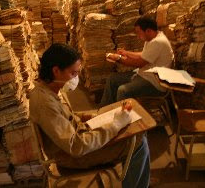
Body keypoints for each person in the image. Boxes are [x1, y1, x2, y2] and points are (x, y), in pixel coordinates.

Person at [29, 44, 150, 188]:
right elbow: (76, 146)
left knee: (134, 134)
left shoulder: (47, 90)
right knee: (137, 142)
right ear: (56, 70)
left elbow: (66, 118)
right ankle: (136, 180)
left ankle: (137, 176)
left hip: (74, 141)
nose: (76, 78)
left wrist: (94, 116)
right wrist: (115, 125)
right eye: (73, 73)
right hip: (70, 156)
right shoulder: (45, 103)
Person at [100, 17, 174, 107]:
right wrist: (126, 53)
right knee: (112, 79)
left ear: (148, 31)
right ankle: (104, 111)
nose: (138, 36)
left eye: (139, 32)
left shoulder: (158, 42)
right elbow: (143, 54)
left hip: (154, 83)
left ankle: (126, 119)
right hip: (144, 75)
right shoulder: (152, 38)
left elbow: (139, 63)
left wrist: (118, 58)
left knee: (123, 90)